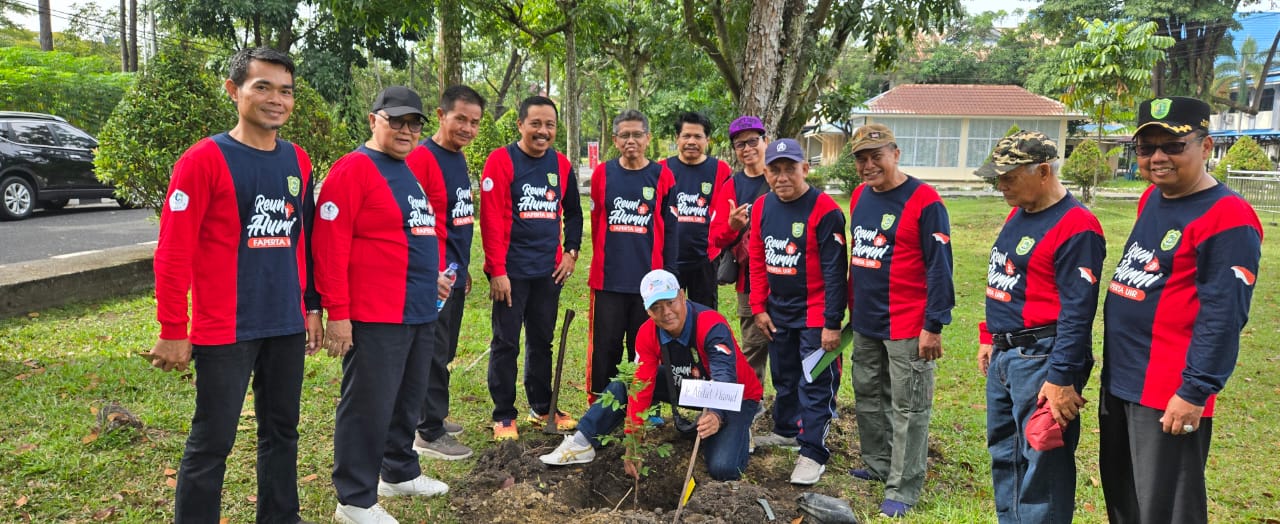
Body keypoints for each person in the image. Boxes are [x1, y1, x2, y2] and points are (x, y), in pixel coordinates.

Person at [149, 47, 320, 524]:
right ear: (233, 91)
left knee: (282, 431)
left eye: (285, 91)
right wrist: (172, 327)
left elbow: (301, 240)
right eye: (262, 87)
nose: (276, 99)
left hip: (285, 323)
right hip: (225, 328)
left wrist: (310, 307)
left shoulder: (298, 160)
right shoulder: (203, 160)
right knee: (213, 440)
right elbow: (173, 252)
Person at [1100, 96, 1263, 524]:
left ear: (1205, 146)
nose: (1158, 158)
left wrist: (1194, 391)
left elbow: (1224, 316)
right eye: (1146, 147)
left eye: (1173, 146)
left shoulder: (1229, 217)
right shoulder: (1152, 199)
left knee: (1167, 509)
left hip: (1167, 390)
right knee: (1125, 499)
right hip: (1122, 381)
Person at [314, 86, 453, 524]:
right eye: (397, 121)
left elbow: (406, 234)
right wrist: (338, 314)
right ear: (374, 120)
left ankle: (399, 471)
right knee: (368, 405)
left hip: (418, 309)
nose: (406, 131)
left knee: (408, 398)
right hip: (377, 314)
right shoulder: (354, 169)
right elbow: (329, 246)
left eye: (414, 124)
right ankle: (354, 499)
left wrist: (432, 278)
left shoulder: (406, 171)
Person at [973, 131, 1105, 523]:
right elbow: (1005, 279)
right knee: (1006, 455)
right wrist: (989, 335)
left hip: (1042, 359)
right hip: (1006, 354)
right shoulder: (1020, 212)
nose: (1001, 185)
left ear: (1044, 171)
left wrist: (1061, 378)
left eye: (1009, 177)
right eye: (998, 177)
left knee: (1042, 465)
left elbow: (1078, 312)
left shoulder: (1077, 227)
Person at [538, 269, 762, 482]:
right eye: (656, 307)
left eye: (670, 302)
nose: (666, 312)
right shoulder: (647, 333)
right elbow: (641, 386)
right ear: (648, 311)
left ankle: (741, 429)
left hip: (735, 395)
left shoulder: (711, 324)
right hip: (688, 385)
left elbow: (725, 376)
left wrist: (716, 414)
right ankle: (582, 442)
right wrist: (633, 441)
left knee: (723, 468)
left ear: (682, 296)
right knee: (625, 384)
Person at [843, 123, 954, 517]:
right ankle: (878, 463)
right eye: (861, 159)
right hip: (866, 320)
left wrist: (934, 324)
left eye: (876, 156)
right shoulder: (860, 196)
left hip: (908, 324)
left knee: (909, 406)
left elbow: (940, 267)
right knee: (869, 395)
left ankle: (903, 487)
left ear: (896, 153)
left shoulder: (925, 202)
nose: (868, 165)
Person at [479, 95, 584, 441]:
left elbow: (574, 212)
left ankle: (541, 406)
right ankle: (503, 414)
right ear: (520, 125)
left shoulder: (561, 165)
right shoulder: (501, 160)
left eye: (549, 125)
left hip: (548, 273)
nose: (542, 131)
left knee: (542, 341)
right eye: (535, 124)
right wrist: (497, 271)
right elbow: (490, 220)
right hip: (511, 274)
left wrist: (570, 252)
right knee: (506, 342)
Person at [748, 138, 848, 485]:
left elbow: (835, 272)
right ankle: (787, 431)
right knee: (785, 375)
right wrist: (758, 307)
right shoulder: (761, 207)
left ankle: (813, 452)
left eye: (790, 169)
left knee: (815, 381)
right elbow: (757, 260)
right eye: (774, 170)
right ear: (766, 172)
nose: (782, 177)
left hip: (815, 315)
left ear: (805, 169)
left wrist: (832, 323)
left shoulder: (825, 210)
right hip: (778, 312)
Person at [405, 85, 485, 460]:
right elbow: (415, 221)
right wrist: (432, 272)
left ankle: (430, 414)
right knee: (433, 351)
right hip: (433, 276)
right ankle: (429, 431)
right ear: (440, 115)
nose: (468, 128)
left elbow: (456, 217)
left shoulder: (457, 157)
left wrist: (462, 269)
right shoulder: (422, 158)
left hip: (453, 271)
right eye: (460, 119)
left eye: (475, 122)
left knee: (445, 348)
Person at [586, 109, 678, 401]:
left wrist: (670, 274)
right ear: (615, 140)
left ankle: (645, 405)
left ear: (648, 138)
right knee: (606, 347)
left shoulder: (662, 175)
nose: (631, 140)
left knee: (645, 348)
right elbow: (597, 221)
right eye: (624, 135)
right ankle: (601, 405)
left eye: (637, 134)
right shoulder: (602, 174)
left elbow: (671, 229)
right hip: (608, 279)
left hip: (649, 283)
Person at [708, 115, 772, 385]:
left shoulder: (782, 176)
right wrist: (732, 227)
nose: (747, 149)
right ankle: (752, 400)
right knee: (754, 347)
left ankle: (792, 404)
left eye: (753, 141)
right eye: (740, 144)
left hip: (789, 278)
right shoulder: (731, 187)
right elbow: (715, 237)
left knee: (791, 348)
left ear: (766, 141)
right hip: (750, 282)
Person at [661, 111, 732, 309]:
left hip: (705, 258)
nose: (691, 141)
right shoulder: (662, 169)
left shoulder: (721, 170)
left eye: (697, 136)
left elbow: (725, 214)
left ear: (707, 139)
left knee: (705, 314)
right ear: (677, 138)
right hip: (669, 259)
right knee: (669, 313)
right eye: (686, 136)